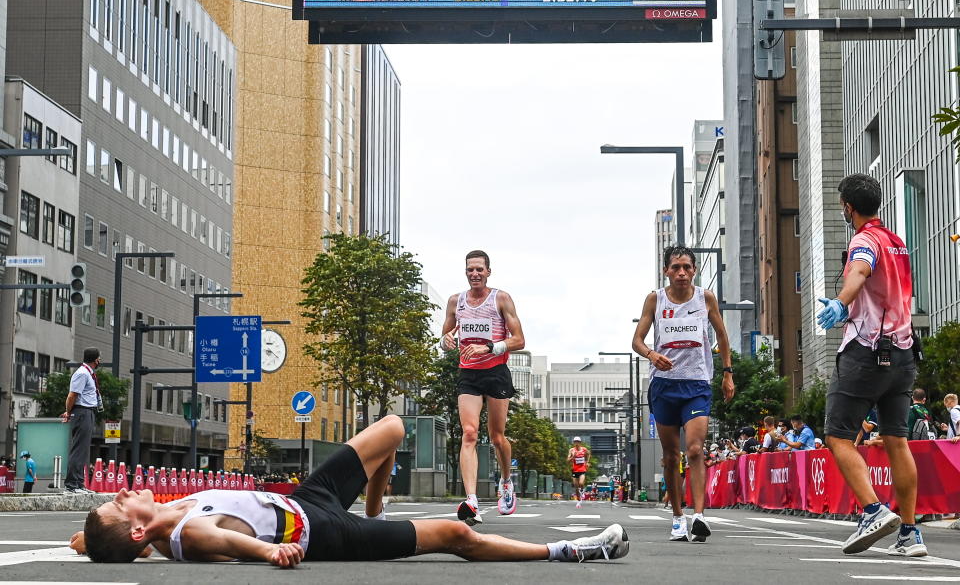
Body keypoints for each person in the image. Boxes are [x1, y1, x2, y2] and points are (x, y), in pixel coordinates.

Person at [74, 416, 628, 566]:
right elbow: (232, 542)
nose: (125, 492)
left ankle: (376, 506)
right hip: (324, 531)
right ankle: (573, 550)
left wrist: (88, 538)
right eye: (121, 503)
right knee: (455, 533)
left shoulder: (155, 520)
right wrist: (272, 551)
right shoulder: (188, 532)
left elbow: (104, 539)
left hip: (304, 496)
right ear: (141, 527)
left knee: (390, 429)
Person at [816, 173, 925, 557]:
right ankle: (911, 534)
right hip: (905, 352)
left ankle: (872, 510)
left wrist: (840, 303)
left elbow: (859, 271)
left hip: (867, 352)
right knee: (897, 440)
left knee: (838, 436)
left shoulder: (864, 240)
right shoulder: (896, 241)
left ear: (848, 207)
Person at [632, 245, 735, 543]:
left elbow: (722, 336)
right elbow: (637, 340)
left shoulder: (705, 298)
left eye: (687, 267)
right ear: (666, 270)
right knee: (669, 456)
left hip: (697, 384)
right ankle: (678, 517)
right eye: (675, 267)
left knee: (694, 449)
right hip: (664, 385)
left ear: (694, 270)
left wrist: (727, 374)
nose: (681, 273)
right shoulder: (655, 299)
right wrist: (652, 355)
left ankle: (699, 516)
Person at [441, 250, 526, 524]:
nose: (474, 274)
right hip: (469, 374)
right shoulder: (456, 302)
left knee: (497, 437)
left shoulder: (500, 298)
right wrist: (446, 342)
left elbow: (519, 340)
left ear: (488, 271)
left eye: (479, 269)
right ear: (465, 272)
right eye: (470, 270)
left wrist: (488, 346)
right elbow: (445, 335)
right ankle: (471, 500)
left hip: (496, 372)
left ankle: (505, 481)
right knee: (469, 433)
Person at [61, 347, 103, 494]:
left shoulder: (88, 374)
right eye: (99, 358)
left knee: (83, 449)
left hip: (87, 411)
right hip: (82, 411)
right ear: (95, 359)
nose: (100, 361)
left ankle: (78, 483)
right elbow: (72, 395)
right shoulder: (82, 373)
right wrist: (68, 411)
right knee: (79, 448)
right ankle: (72, 484)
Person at [567, 437, 590, 509]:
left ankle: (582, 491)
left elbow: (588, 454)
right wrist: (573, 457)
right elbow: (567, 460)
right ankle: (578, 501)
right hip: (574, 470)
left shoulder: (584, 449)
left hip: (582, 469)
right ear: (573, 442)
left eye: (578, 442)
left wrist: (587, 462)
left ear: (580, 443)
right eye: (575, 442)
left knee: (581, 483)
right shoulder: (571, 450)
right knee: (576, 487)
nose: (576, 443)